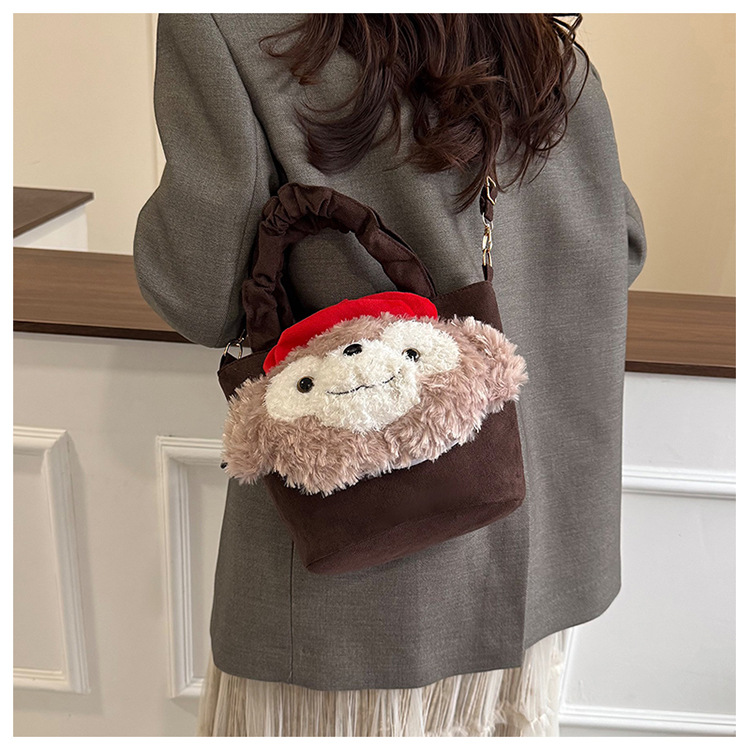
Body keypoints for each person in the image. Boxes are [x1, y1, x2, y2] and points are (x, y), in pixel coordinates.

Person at [133, 13, 646, 737]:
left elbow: (198, 295)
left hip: (361, 595)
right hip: (538, 571)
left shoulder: (231, 27)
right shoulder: (540, 45)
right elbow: (621, 245)